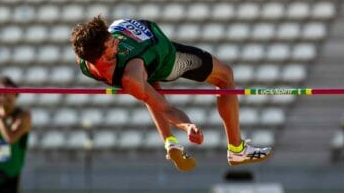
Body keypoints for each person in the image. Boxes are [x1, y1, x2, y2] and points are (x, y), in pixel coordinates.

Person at [70, 16, 272, 172]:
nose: (116, 41)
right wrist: (187, 125)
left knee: (144, 85)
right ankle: (236, 149)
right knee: (225, 76)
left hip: (142, 50)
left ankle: (170, 143)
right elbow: (166, 108)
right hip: (167, 57)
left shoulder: (84, 59)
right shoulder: (131, 73)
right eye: (111, 43)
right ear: (100, 56)